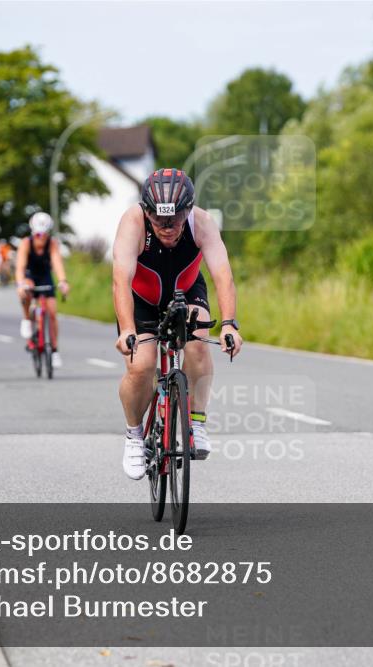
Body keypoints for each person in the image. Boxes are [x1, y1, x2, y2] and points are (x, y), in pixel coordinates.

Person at [112, 168, 243, 480]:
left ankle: (196, 423)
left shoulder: (203, 223)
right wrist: (128, 329)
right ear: (147, 213)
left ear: (188, 210)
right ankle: (134, 436)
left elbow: (223, 275)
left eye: (175, 219)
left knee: (197, 344)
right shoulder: (132, 223)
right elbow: (120, 280)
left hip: (186, 290)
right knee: (141, 366)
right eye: (159, 220)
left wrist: (228, 324)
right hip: (141, 297)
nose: (168, 228)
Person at [15, 212, 70, 368]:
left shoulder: (51, 244)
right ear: (33, 232)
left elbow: (57, 263)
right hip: (29, 275)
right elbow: (20, 267)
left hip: (45, 276)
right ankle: (27, 319)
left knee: (52, 312)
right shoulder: (26, 243)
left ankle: (54, 350)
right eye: (38, 234)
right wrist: (20, 284)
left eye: (44, 234)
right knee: (26, 290)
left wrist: (63, 281)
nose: (41, 237)